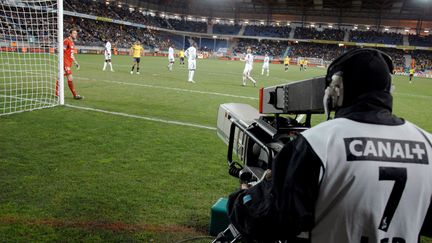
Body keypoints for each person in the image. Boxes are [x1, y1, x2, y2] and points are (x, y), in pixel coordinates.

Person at [227, 48, 432, 242]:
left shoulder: (318, 143)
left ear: (336, 89)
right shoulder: (427, 143)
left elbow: (269, 222)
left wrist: (242, 197)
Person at [56, 29, 82, 100]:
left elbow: (71, 55)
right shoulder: (66, 41)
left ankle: (56, 93)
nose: (75, 35)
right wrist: (62, 62)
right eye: (74, 33)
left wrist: (76, 62)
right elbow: (61, 50)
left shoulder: (72, 43)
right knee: (70, 78)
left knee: (60, 76)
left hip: (69, 63)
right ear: (70, 34)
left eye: (76, 33)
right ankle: (75, 95)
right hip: (65, 62)